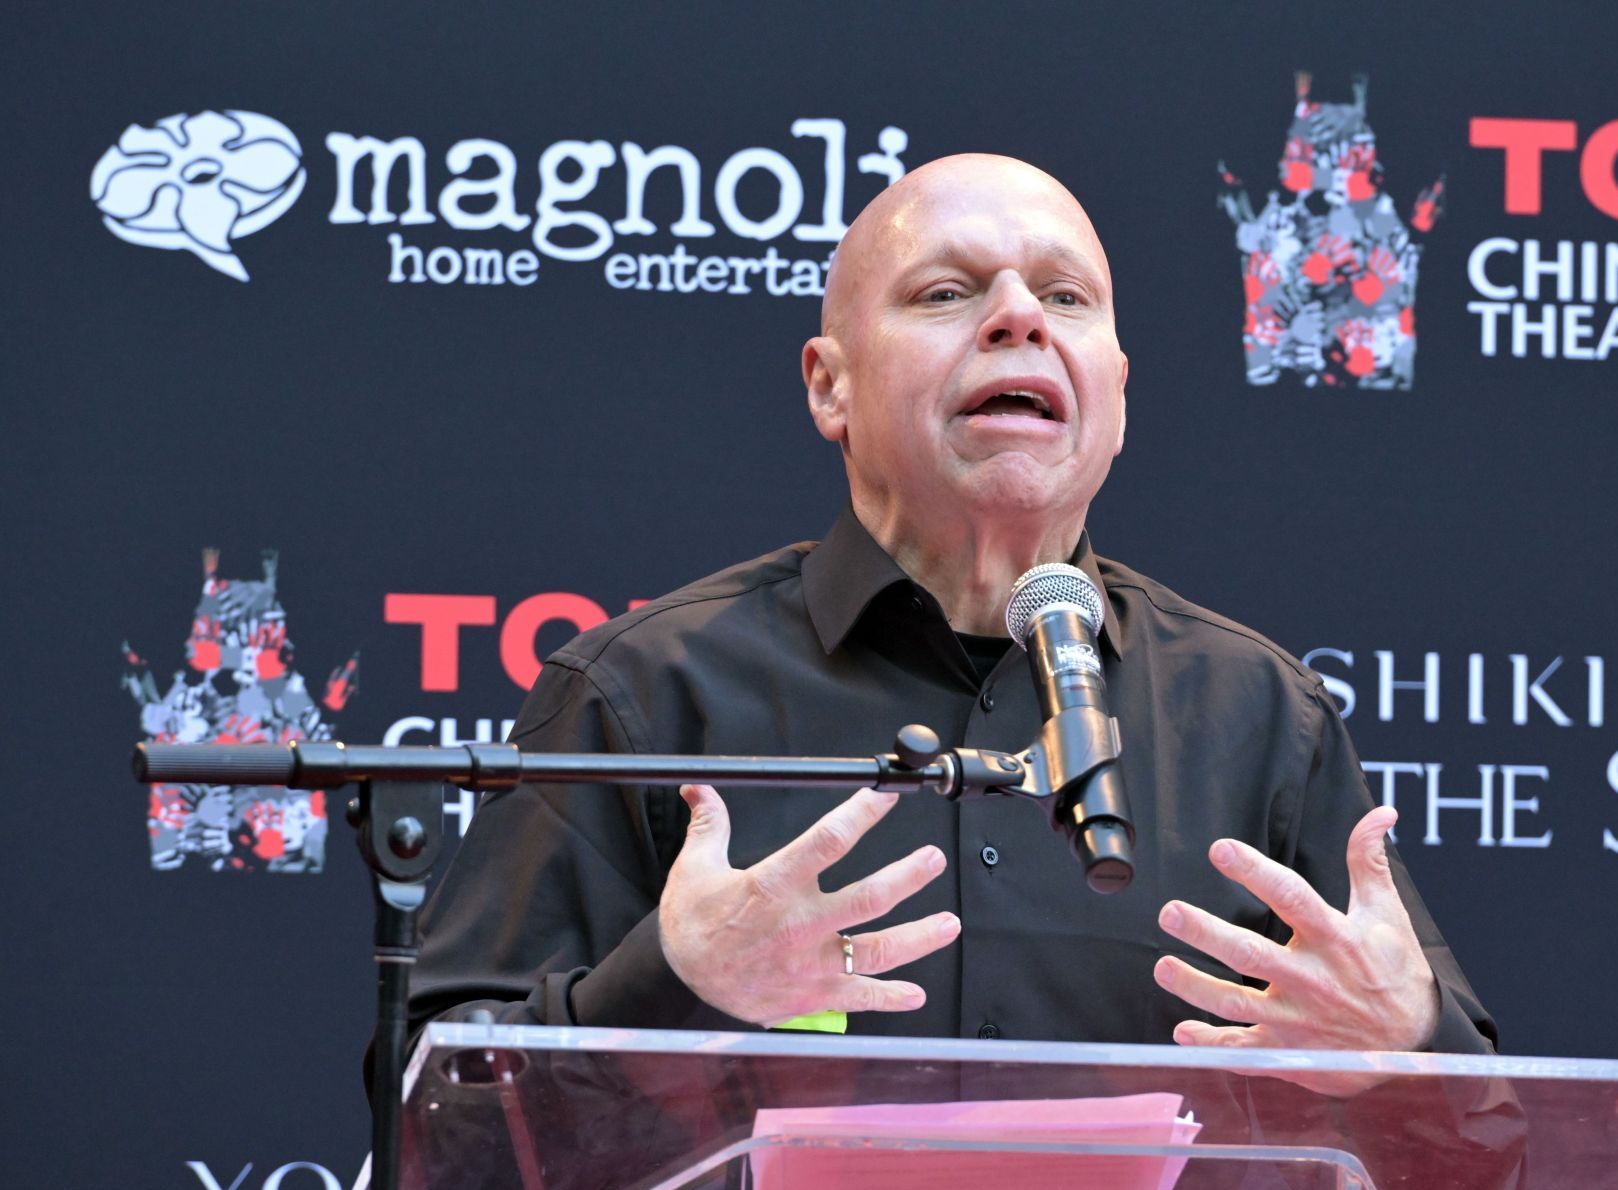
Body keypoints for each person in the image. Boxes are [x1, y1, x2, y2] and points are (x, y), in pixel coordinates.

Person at [408, 154, 1496, 1058]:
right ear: (829, 386)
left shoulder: (1263, 719)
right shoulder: (642, 695)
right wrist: (669, 987)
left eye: (1066, 298)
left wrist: (1405, 1050)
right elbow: (430, 1133)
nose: (1020, 316)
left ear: (1116, 393)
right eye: (946, 292)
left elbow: (1498, 1142)